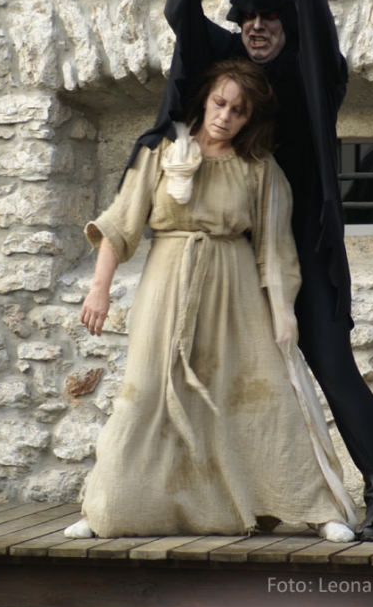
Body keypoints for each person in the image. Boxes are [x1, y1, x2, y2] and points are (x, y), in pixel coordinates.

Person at [122, 0, 373, 542]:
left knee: (331, 363)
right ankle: (218, 497)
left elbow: (319, 29)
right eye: (247, 16)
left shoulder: (313, 70)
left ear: (286, 22)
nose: (255, 26)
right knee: (214, 373)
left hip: (301, 244)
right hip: (231, 252)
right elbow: (180, 19)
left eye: (269, 16)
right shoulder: (230, 68)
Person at [64, 59, 356, 541]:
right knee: (145, 392)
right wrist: (99, 289)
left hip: (235, 289)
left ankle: (314, 508)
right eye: (220, 103)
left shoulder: (258, 168)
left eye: (239, 111)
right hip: (167, 283)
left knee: (265, 392)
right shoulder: (162, 151)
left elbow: (274, 249)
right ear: (204, 99)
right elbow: (120, 223)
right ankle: (108, 508)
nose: (226, 116)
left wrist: (283, 313)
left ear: (249, 118)